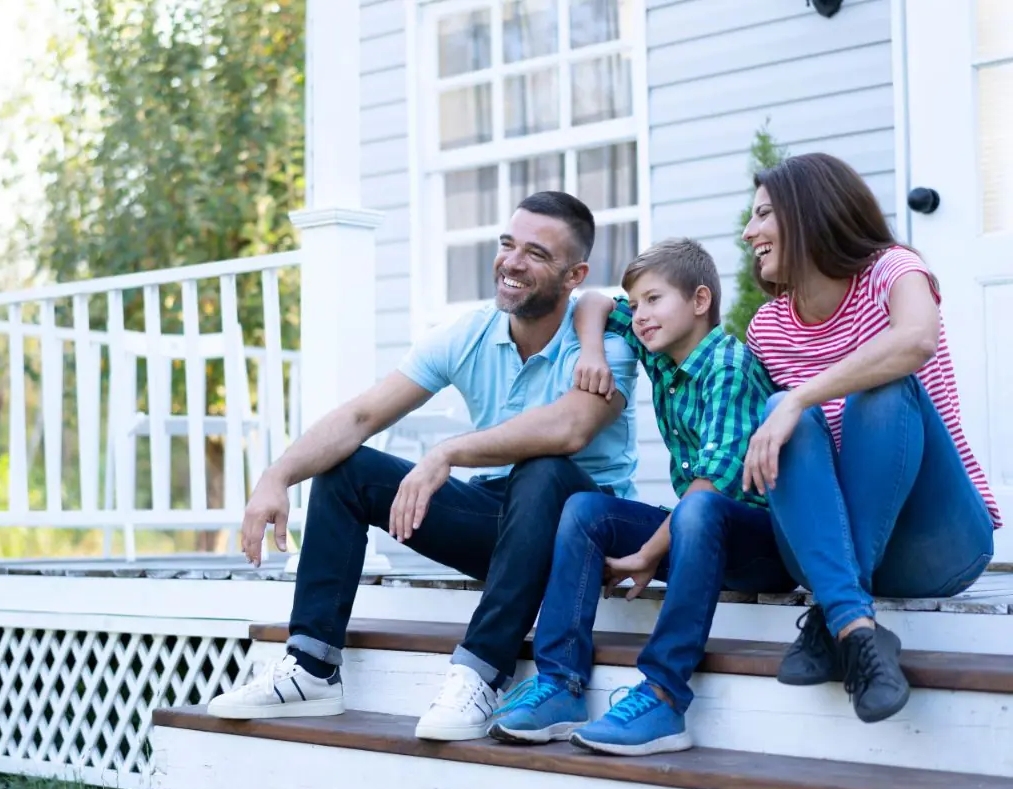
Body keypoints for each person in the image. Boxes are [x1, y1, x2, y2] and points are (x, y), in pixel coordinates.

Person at [205, 191, 640, 741]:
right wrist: (276, 477)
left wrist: (448, 451)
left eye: (536, 253)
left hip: (582, 535)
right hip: (505, 525)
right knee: (347, 469)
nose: (512, 262)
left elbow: (570, 429)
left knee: (543, 468)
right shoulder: (471, 333)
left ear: (574, 274)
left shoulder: (605, 343)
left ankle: (480, 674)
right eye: (508, 245)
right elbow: (363, 414)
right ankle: (312, 668)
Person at [487, 237, 795, 755]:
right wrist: (591, 354)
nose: (642, 315)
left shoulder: (727, 365)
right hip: (695, 534)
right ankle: (561, 685)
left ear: (700, 302)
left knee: (697, 505)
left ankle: (663, 696)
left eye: (655, 300)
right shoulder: (663, 355)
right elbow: (595, 302)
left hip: (761, 544)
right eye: (640, 302)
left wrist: (649, 551)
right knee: (586, 509)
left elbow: (713, 484)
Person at [741, 152, 1002, 724]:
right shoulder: (768, 327)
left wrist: (804, 396)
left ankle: (831, 613)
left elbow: (915, 342)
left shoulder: (894, 269)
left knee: (880, 391)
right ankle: (856, 628)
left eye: (763, 214)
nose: (748, 232)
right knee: (781, 409)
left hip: (935, 543)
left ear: (809, 211)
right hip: (823, 549)